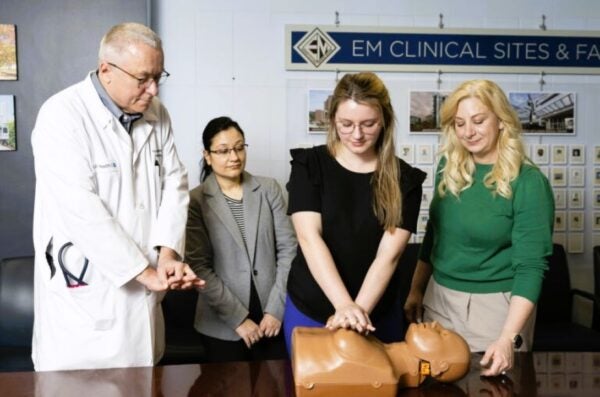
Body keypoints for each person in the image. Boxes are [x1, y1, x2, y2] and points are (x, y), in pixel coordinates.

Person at [30, 22, 203, 371]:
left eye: (159, 76)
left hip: (144, 311)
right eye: (143, 78)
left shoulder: (157, 115)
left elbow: (175, 184)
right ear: (106, 70)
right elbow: (82, 212)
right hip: (83, 315)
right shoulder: (62, 115)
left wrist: (167, 256)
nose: (153, 89)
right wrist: (146, 273)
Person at [404, 79, 554, 377]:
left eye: (478, 120)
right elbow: (435, 234)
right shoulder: (450, 165)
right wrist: (416, 289)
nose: (468, 132)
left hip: (497, 311)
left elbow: (531, 267)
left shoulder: (528, 182)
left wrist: (508, 337)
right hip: (439, 302)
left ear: (501, 121)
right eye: (460, 123)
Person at [284, 72, 426, 351]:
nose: (357, 135)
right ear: (333, 119)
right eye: (346, 124)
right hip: (311, 309)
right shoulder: (309, 165)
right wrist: (344, 305)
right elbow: (309, 239)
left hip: (376, 314)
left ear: (384, 119)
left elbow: (389, 255)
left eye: (368, 124)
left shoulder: (405, 179)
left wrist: (356, 313)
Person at [185, 116, 297, 362]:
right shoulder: (195, 201)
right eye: (223, 151)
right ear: (207, 155)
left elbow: (289, 250)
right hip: (222, 323)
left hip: (272, 317)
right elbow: (198, 266)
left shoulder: (269, 189)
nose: (234, 157)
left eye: (239, 147)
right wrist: (238, 319)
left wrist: (276, 310)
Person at [291, 322, 470, 397]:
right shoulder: (383, 352)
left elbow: (346, 340)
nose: (435, 324)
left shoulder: (385, 370)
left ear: (440, 365)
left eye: (441, 334)